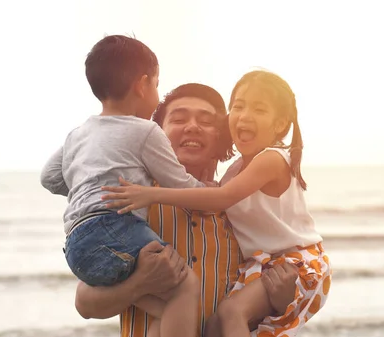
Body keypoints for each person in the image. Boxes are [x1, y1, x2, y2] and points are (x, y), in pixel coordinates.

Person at [101, 70, 332, 337]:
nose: (192, 127)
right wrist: (138, 283)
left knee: (230, 313)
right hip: (263, 265)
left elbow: (220, 198)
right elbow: (86, 300)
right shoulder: (133, 204)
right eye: (239, 107)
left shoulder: (249, 183)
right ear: (155, 133)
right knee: (217, 324)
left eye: (258, 109)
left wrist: (283, 301)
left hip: (287, 263)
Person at [40, 35, 203, 337]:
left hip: (76, 245)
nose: (156, 92)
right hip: (115, 229)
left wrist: (87, 189)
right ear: (142, 85)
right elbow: (181, 185)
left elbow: (49, 177)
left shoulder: (78, 133)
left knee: (169, 306)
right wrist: (215, 194)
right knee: (186, 286)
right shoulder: (145, 130)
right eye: (156, 83)